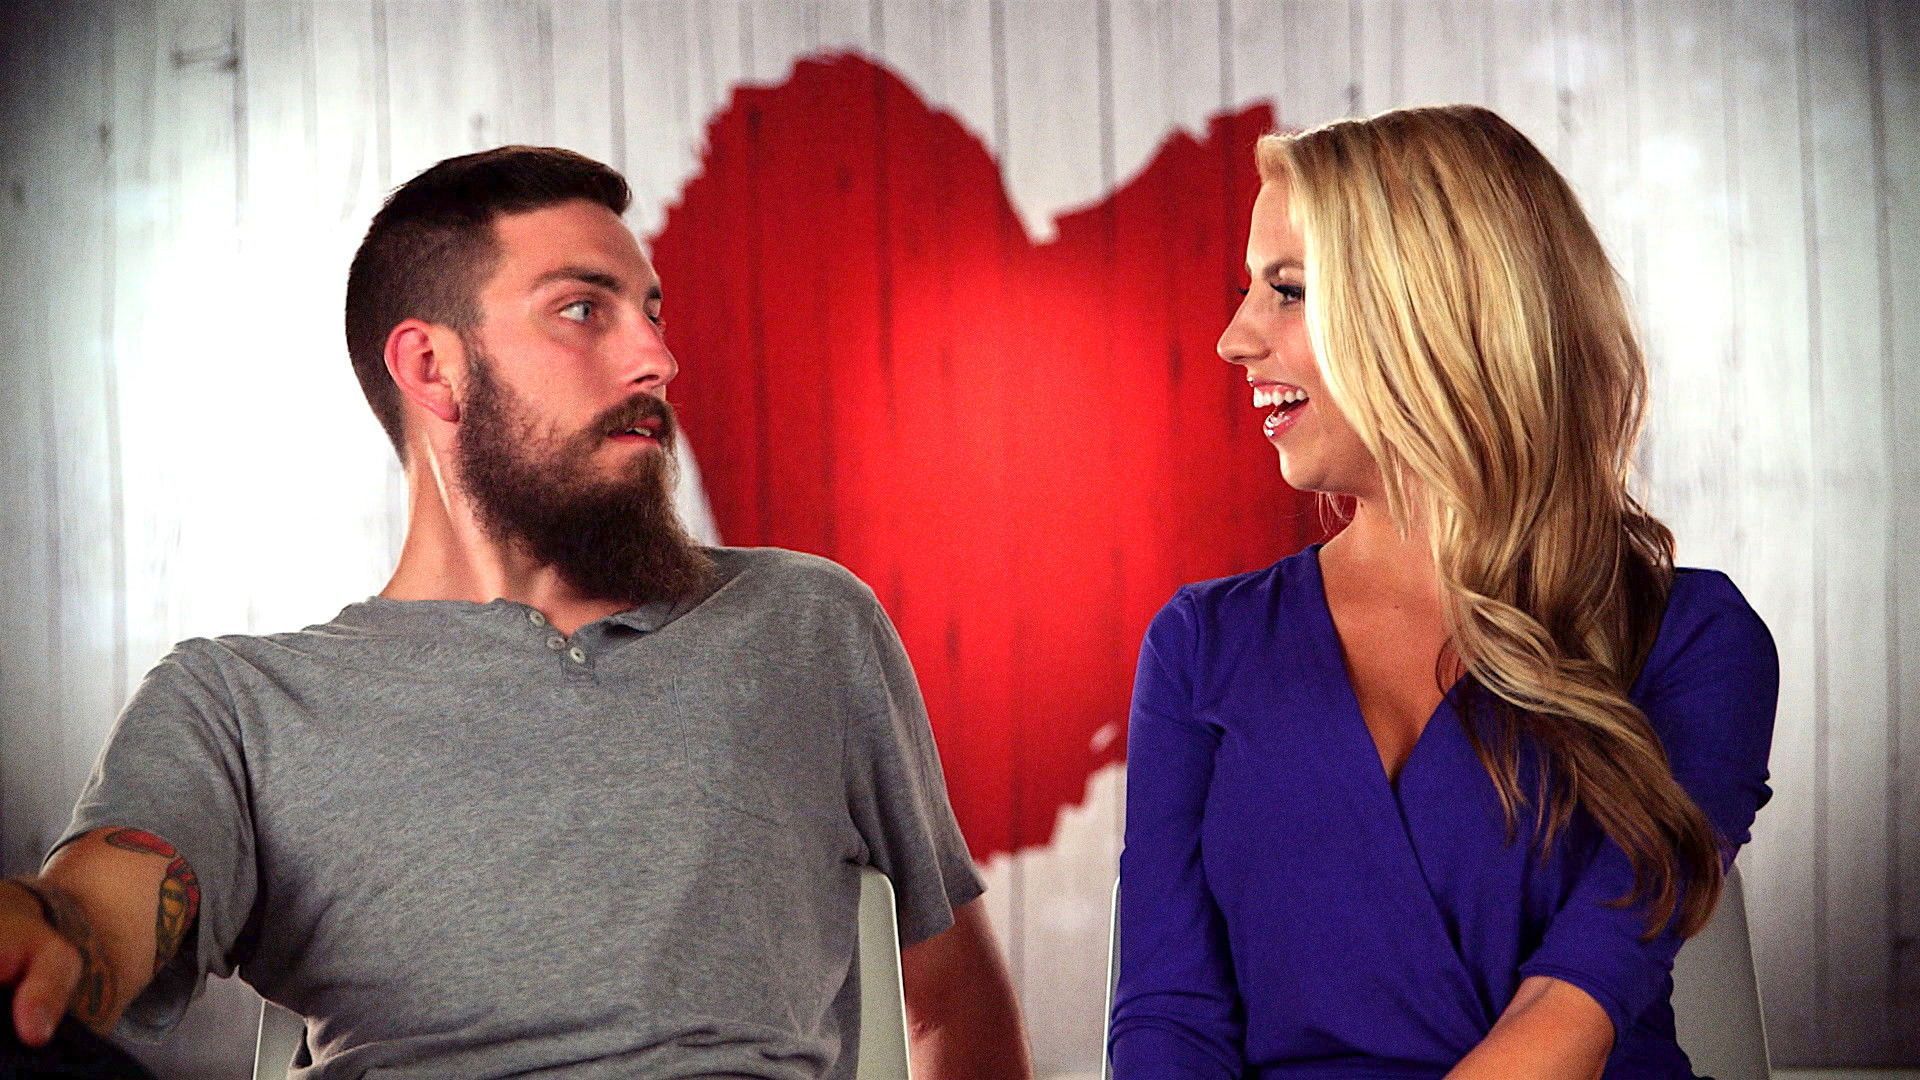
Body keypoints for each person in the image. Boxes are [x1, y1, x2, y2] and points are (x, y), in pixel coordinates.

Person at [0, 145, 1033, 1080]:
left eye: (653, 313)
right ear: (432, 368)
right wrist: (46, 928)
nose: (657, 359)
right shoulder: (239, 702)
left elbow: (952, 1003)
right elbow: (96, 913)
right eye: (583, 311)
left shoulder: (804, 623)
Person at [1108, 105, 1778, 1079]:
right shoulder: (1200, 645)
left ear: (1433, 313)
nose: (1233, 338)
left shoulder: (1691, 639)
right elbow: (1169, 1018)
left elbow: (1575, 1003)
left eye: (1288, 291)